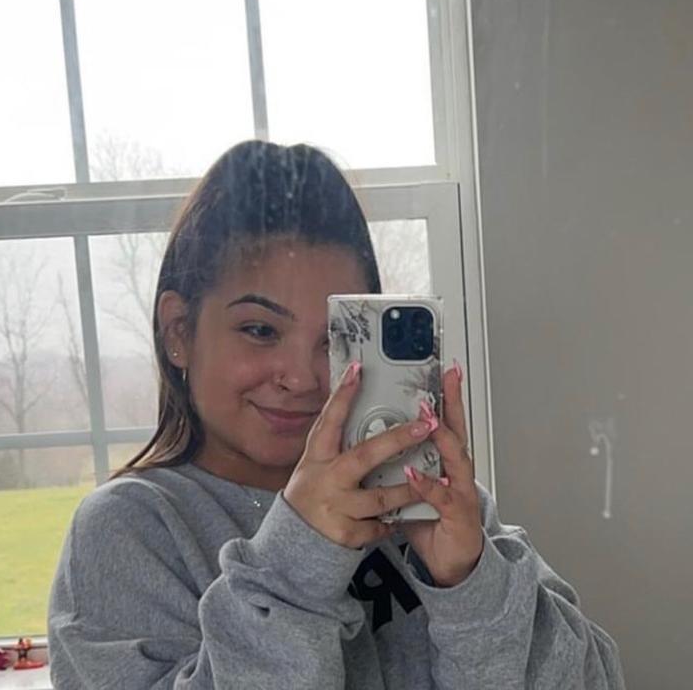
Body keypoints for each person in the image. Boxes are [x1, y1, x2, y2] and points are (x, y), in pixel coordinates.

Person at [47, 140, 625, 689]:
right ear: (179, 331)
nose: (301, 378)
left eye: (336, 340)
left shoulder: (426, 500)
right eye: (259, 330)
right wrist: (299, 559)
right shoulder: (131, 531)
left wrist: (472, 583)